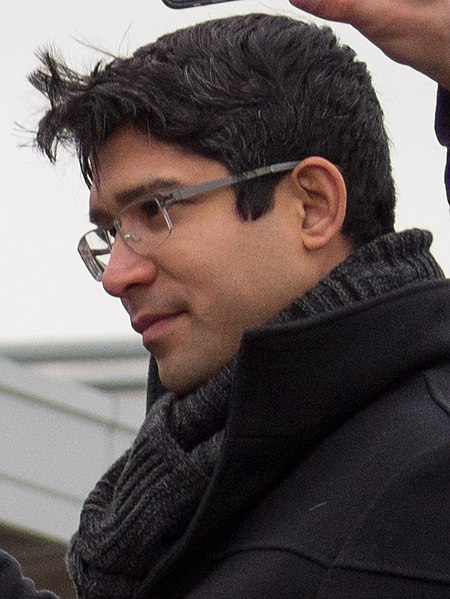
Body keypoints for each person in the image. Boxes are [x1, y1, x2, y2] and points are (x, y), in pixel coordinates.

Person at [3, 1, 450, 597]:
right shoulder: (210, 477)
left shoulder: (427, 474)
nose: (118, 275)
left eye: (155, 210)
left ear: (312, 206)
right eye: (111, 233)